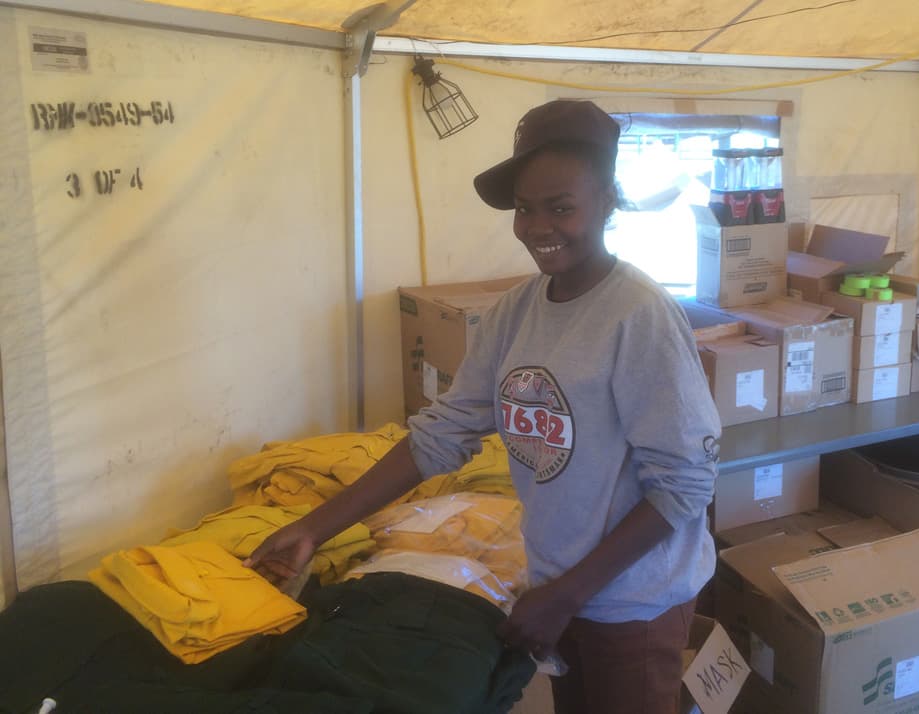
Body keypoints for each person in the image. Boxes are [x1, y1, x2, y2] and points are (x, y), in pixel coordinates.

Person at [246, 99, 722, 714]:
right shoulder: (516, 313)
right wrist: (314, 529)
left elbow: (685, 484)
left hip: (633, 601)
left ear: (607, 201)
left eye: (561, 207)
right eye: (524, 208)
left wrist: (568, 594)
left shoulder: (639, 316)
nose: (537, 227)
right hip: (559, 589)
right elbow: (442, 434)